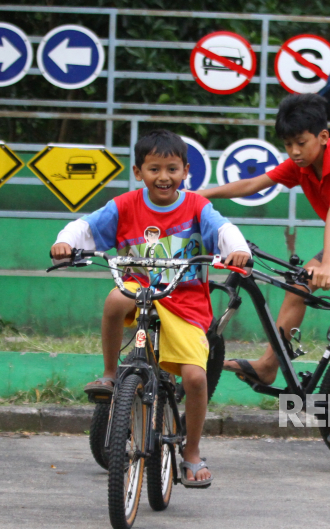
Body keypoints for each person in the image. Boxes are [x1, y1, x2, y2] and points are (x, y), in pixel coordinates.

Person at [198, 94, 330, 445]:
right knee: (297, 285)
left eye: (301, 143)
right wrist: (199, 195)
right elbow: (254, 184)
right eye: (287, 145)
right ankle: (269, 365)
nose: (294, 152)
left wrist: (328, 264)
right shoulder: (300, 166)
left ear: (324, 137)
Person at [50, 130, 251, 487]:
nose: (163, 176)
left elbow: (224, 230)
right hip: (139, 285)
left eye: (172, 168)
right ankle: (111, 375)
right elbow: (86, 226)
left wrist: (237, 250)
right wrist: (65, 242)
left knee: (194, 378)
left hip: (185, 298)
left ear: (186, 171)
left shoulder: (196, 207)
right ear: (138, 171)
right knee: (115, 299)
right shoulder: (125, 205)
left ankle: (191, 453)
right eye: (154, 168)